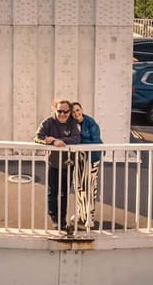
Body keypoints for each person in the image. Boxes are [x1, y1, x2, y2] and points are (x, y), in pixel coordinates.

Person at [34, 99, 81, 231]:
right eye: (59, 111)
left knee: (64, 193)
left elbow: (76, 139)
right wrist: (52, 142)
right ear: (55, 109)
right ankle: (54, 217)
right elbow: (37, 137)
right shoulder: (48, 122)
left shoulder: (72, 123)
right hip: (53, 163)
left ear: (69, 112)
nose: (62, 114)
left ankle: (62, 219)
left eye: (66, 111)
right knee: (52, 191)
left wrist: (58, 140)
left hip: (68, 163)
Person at [71, 102, 102, 229]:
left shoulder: (91, 123)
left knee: (90, 188)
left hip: (92, 159)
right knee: (78, 187)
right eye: (73, 112)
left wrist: (80, 138)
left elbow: (95, 142)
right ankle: (80, 212)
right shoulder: (72, 124)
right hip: (79, 159)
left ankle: (90, 216)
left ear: (82, 110)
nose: (76, 113)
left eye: (78, 110)